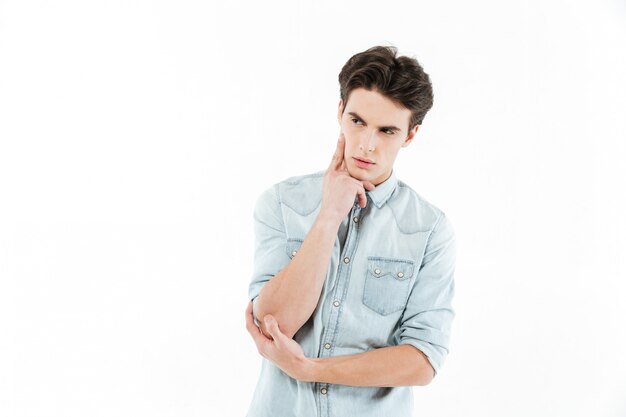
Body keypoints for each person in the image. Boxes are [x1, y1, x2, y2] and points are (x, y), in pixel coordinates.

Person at [244, 45, 456, 417]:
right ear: (340, 112)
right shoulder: (281, 203)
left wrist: (310, 370)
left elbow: (423, 360)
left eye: (387, 130)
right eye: (357, 121)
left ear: (410, 135)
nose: (367, 144)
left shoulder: (429, 230)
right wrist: (329, 216)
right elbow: (272, 324)